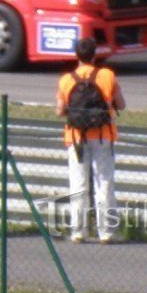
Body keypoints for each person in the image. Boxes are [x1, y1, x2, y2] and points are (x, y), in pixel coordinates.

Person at [57, 35, 126, 242]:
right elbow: (121, 105)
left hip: (76, 137)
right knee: (103, 183)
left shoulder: (66, 79)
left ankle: (78, 231)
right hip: (103, 135)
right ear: (94, 54)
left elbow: (60, 111)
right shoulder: (107, 76)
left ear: (76, 55)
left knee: (78, 184)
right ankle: (106, 232)